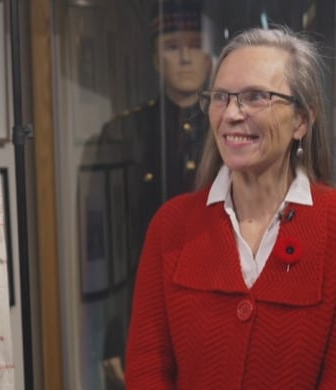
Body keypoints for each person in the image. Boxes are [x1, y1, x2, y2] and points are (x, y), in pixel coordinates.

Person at [125, 26, 336, 389]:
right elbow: (147, 371)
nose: (231, 113)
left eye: (256, 96)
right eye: (221, 97)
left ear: (301, 120)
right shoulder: (171, 225)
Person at [89, 1, 212, 388]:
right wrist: (113, 332)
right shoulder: (125, 133)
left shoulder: (233, 132)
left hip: (215, 297)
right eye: (173, 46)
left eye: (195, 44)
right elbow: (107, 244)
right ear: (156, 60)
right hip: (146, 297)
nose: (187, 57)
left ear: (211, 56)